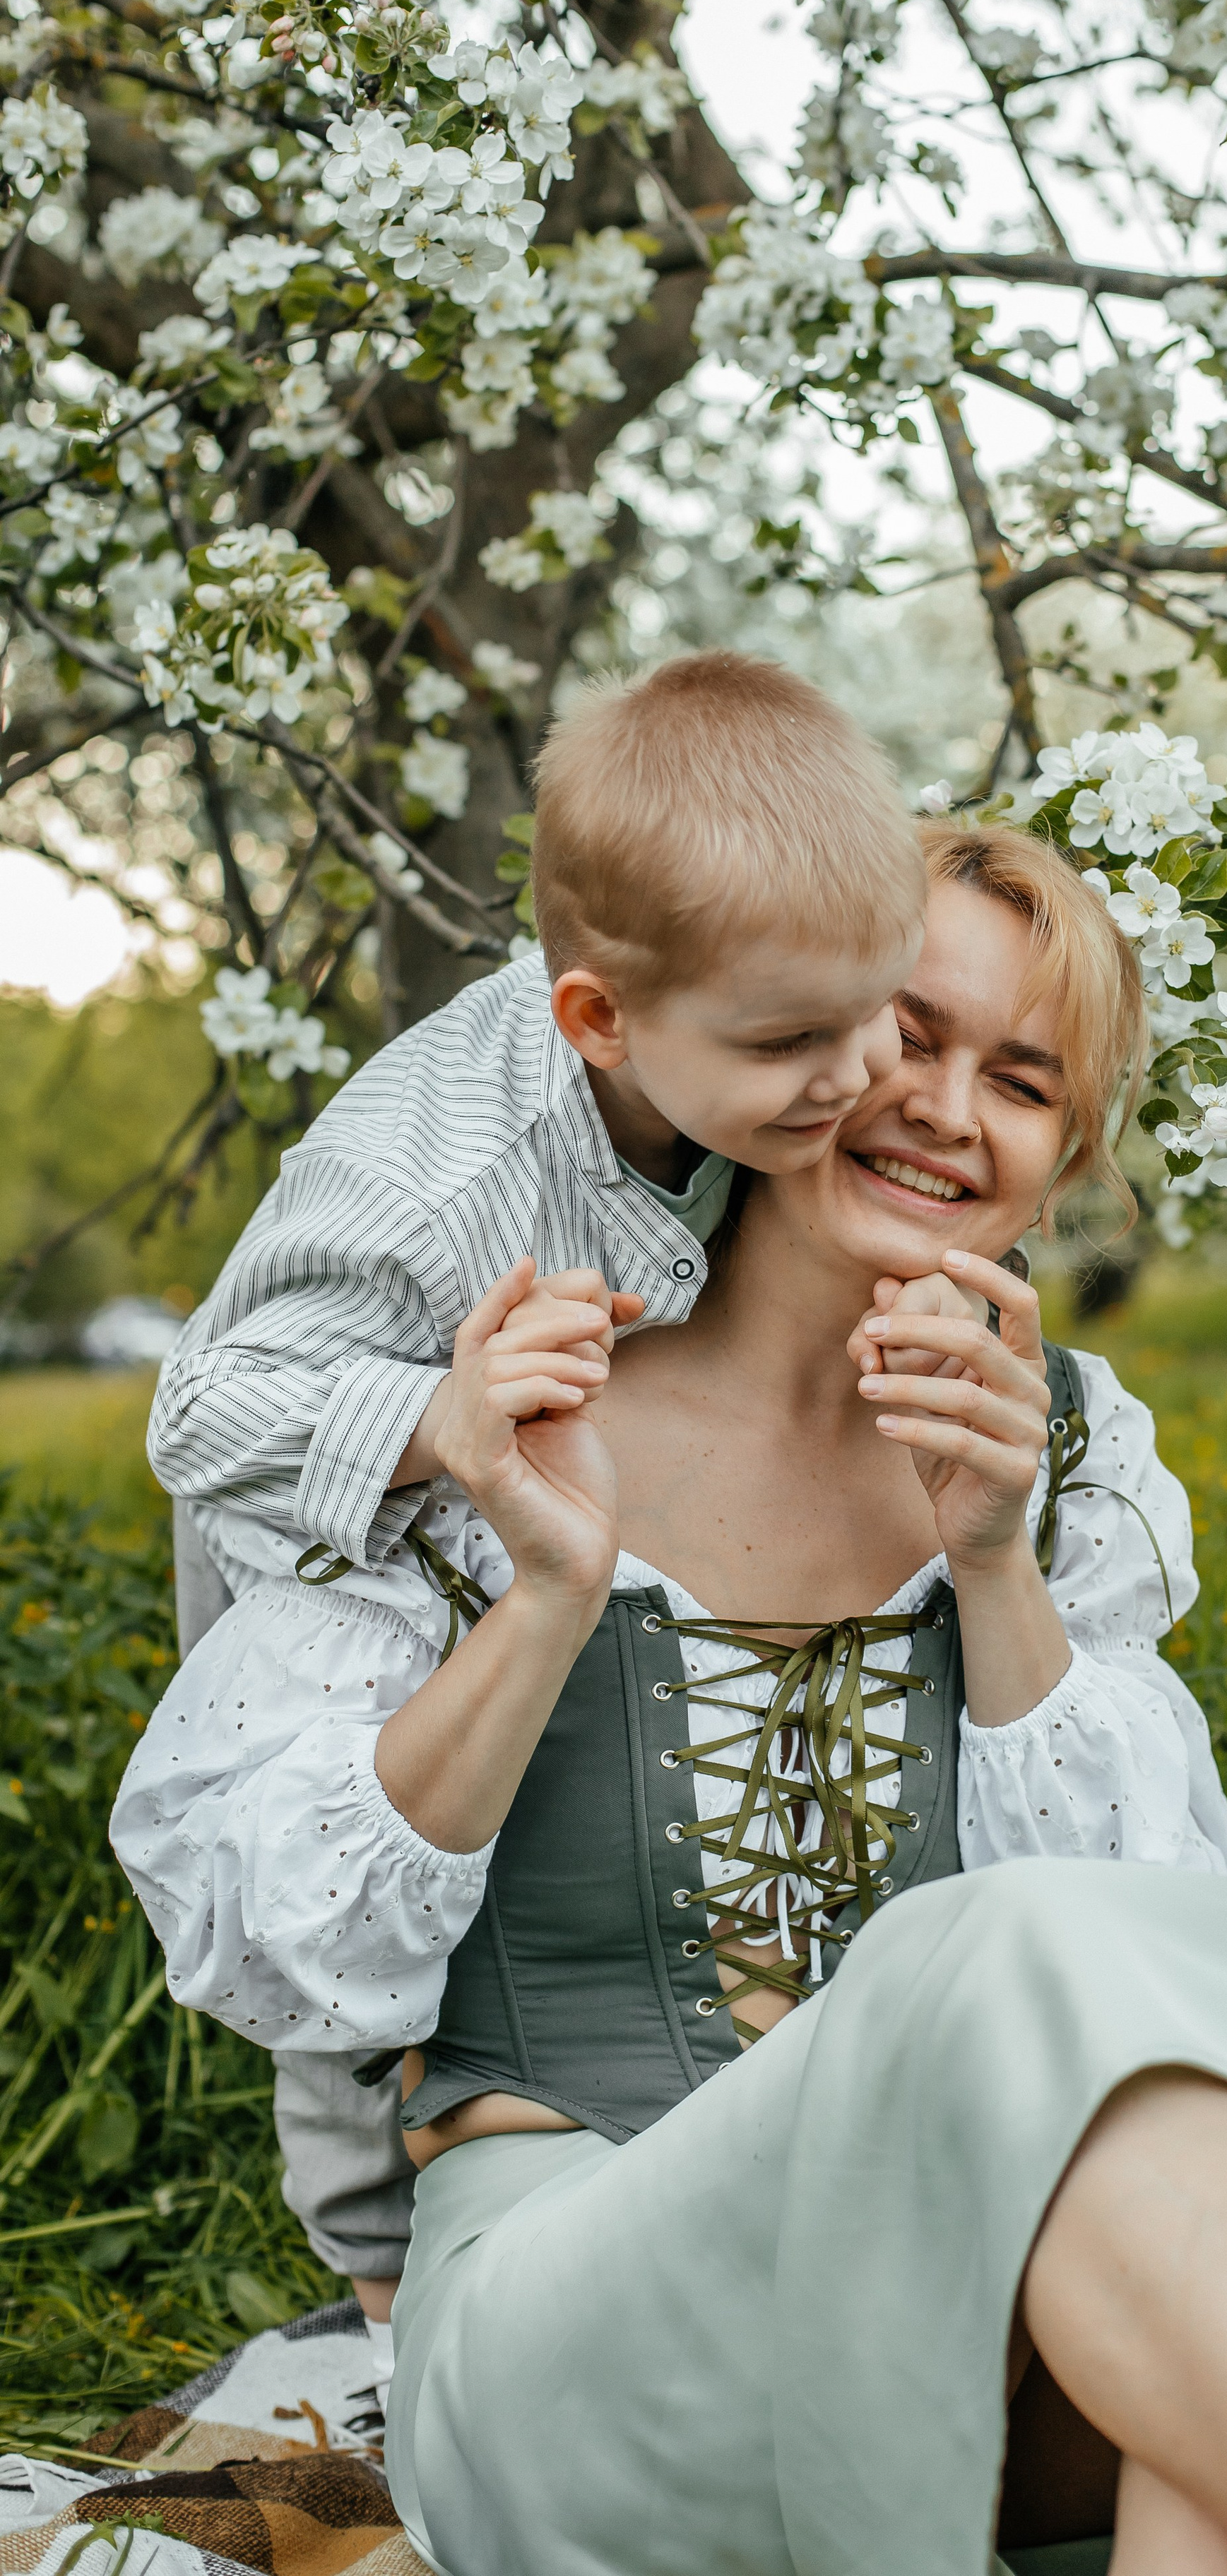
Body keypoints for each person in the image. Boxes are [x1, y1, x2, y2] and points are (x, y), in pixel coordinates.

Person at [117, 830, 1227, 2576]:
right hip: (574, 2333)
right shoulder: (507, 1400)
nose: (944, 1107)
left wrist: (998, 1568)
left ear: (1061, 1161)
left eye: (1019, 1081)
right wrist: (552, 1585)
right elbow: (277, 1950)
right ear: (786, 1047)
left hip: (988, 2290)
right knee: (1030, 1968)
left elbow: (1159, 1976)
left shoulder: (1062, 1469)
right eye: (904, 1033)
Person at [139, 648, 957, 2375]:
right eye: (792, 1044)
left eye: (878, 1012)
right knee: (363, 1904)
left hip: (520, 1475)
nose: (857, 1073)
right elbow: (198, 1411)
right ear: (599, 1019)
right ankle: (373, 2277)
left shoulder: (717, 1037)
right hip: (321, 1515)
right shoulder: (433, 1178)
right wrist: (435, 1421)